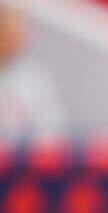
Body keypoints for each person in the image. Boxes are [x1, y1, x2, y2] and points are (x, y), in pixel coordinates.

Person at [0, 4, 65, 140]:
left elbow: (52, 138)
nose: (15, 34)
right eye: (8, 23)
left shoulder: (36, 80)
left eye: (21, 25)